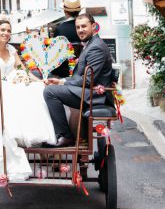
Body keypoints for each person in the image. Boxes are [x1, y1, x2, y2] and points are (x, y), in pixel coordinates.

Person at [0, 19, 56, 181]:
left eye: (8, 30)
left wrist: (40, 81)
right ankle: (11, 136)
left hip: (11, 85)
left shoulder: (12, 50)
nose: (6, 33)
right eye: (2, 30)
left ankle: (31, 134)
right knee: (8, 99)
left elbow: (23, 71)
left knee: (37, 91)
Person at [43, 13, 114, 148]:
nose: (80, 30)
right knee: (50, 88)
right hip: (89, 91)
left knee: (50, 92)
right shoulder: (90, 44)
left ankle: (65, 135)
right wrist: (60, 81)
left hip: (94, 95)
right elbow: (80, 77)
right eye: (78, 27)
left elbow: (88, 81)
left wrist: (63, 82)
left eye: (84, 26)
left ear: (93, 26)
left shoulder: (96, 47)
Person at [50, 0, 83, 78]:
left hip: (63, 72)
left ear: (65, 11)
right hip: (81, 70)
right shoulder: (84, 28)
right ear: (79, 11)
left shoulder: (60, 29)